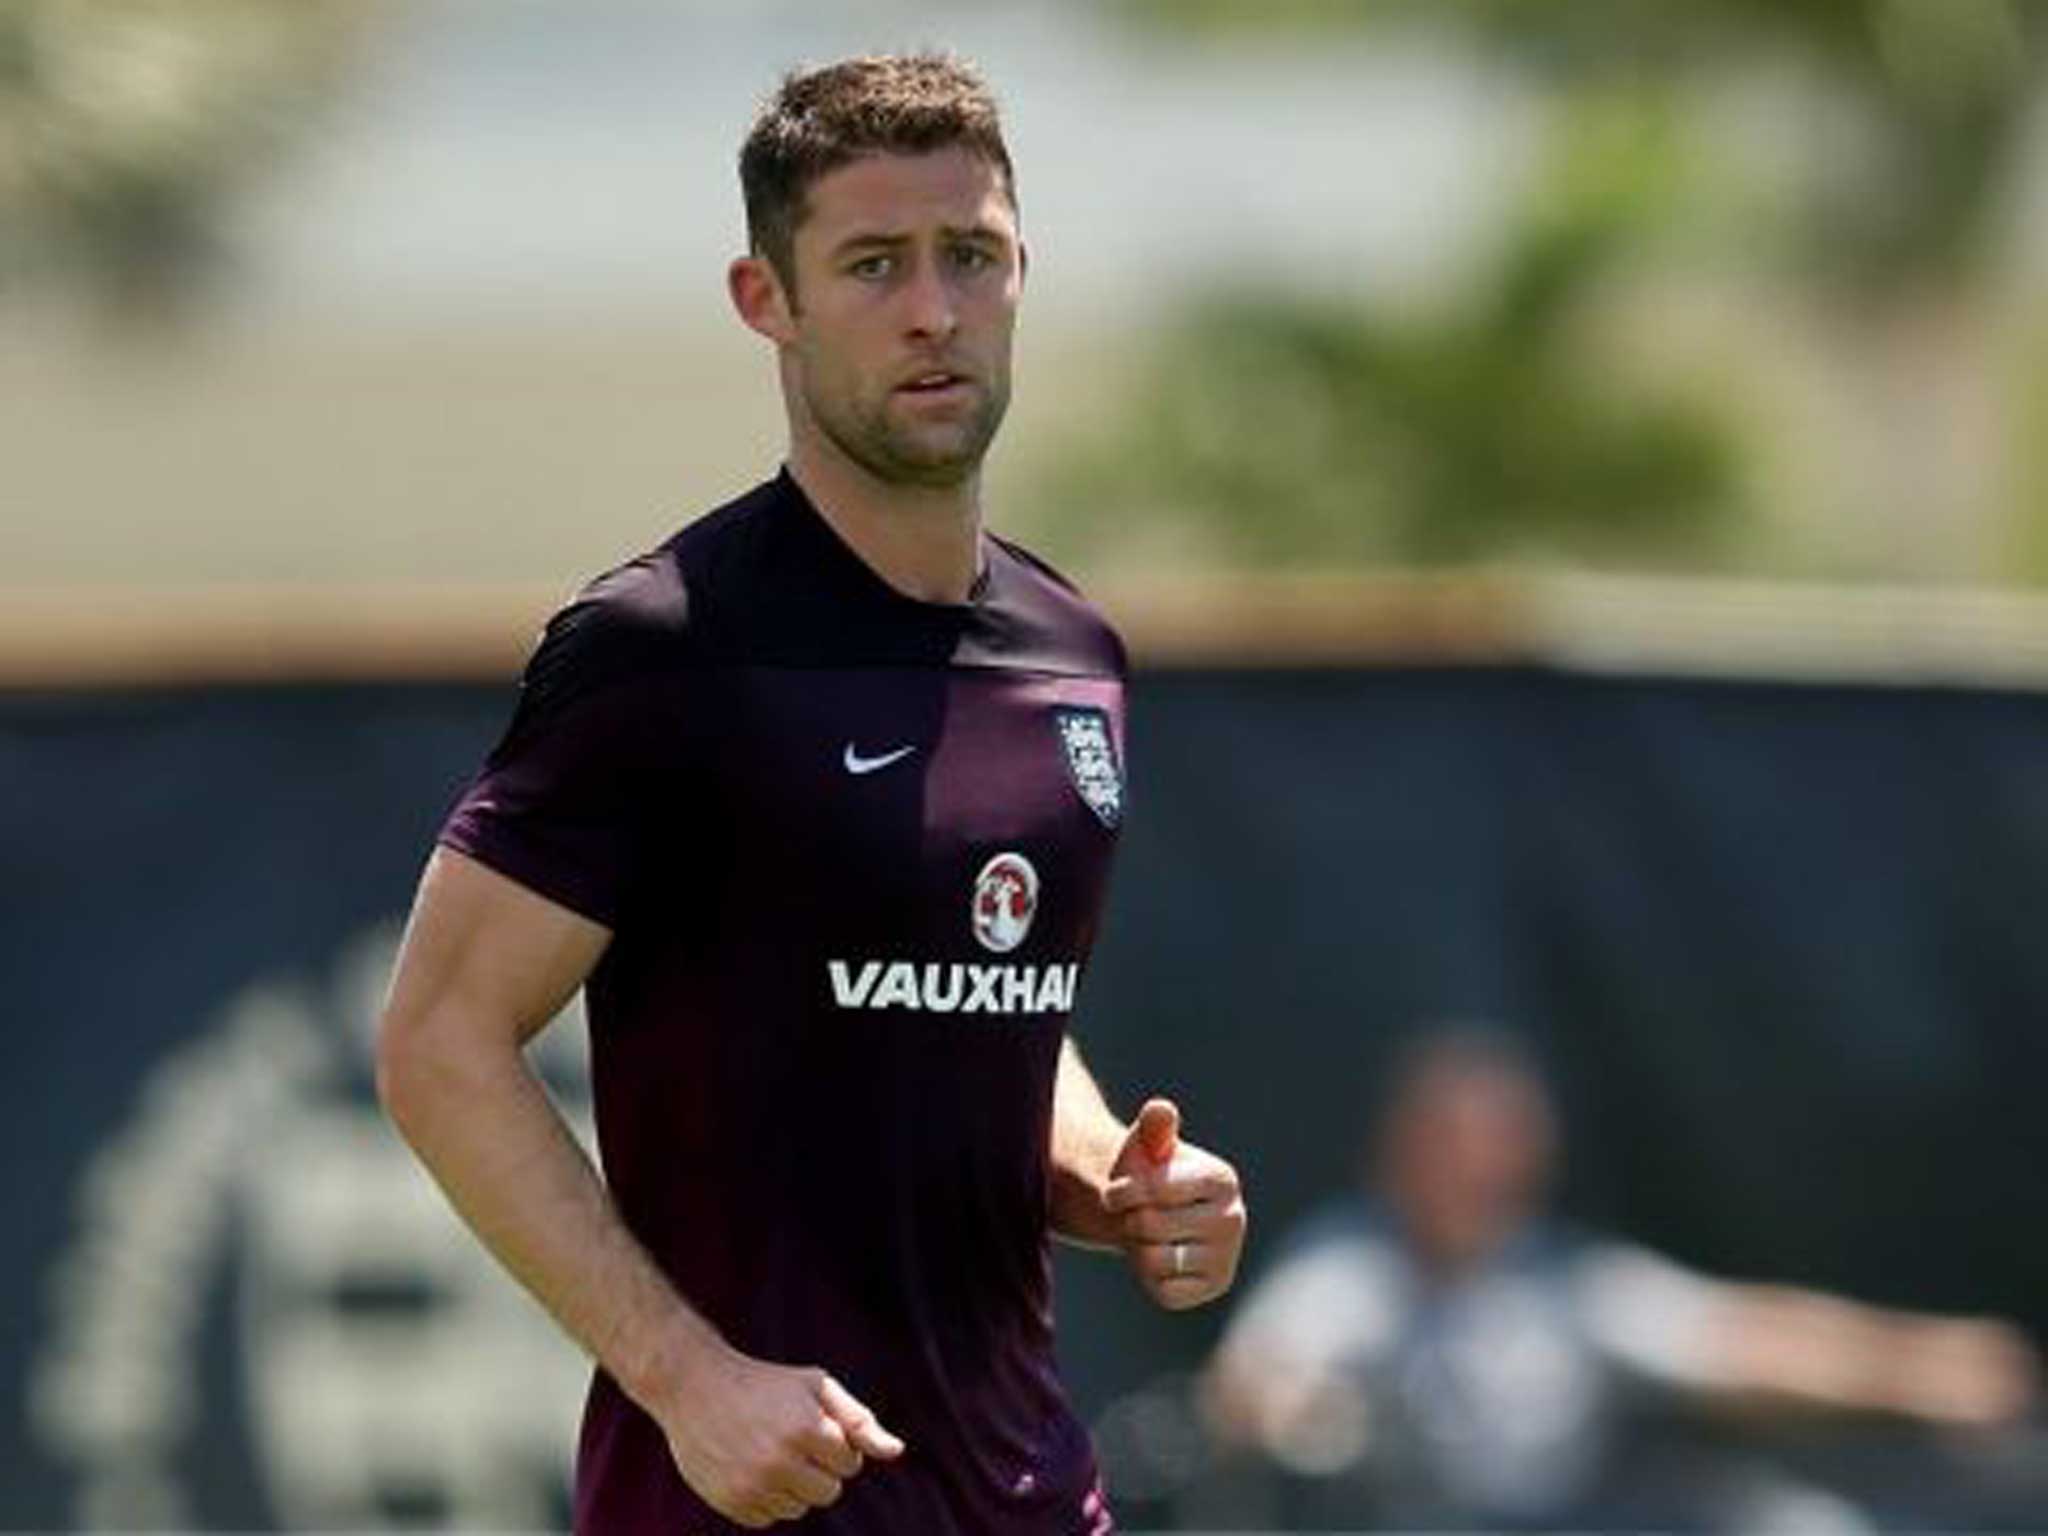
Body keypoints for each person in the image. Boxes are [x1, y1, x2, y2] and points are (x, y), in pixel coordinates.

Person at [372, 52, 1246, 1536]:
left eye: (970, 256)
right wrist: (689, 1379)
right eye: (872, 265)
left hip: (1031, 1493)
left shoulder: (1072, 655)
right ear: (764, 298)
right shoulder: (665, 647)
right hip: (749, 1505)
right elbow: (437, 1041)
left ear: (1022, 269)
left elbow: (994, 1003)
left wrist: (1115, 1177)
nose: (932, 309)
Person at [1202, 1027, 2036, 1531]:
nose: (1478, 1172)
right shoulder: (1349, 1274)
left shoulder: (1557, 1284)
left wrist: (1923, 1366)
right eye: (1453, 1145)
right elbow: (1255, 1382)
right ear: (1400, 1153)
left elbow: (1743, 1344)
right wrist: (1293, 1420)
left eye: (1502, 1150)